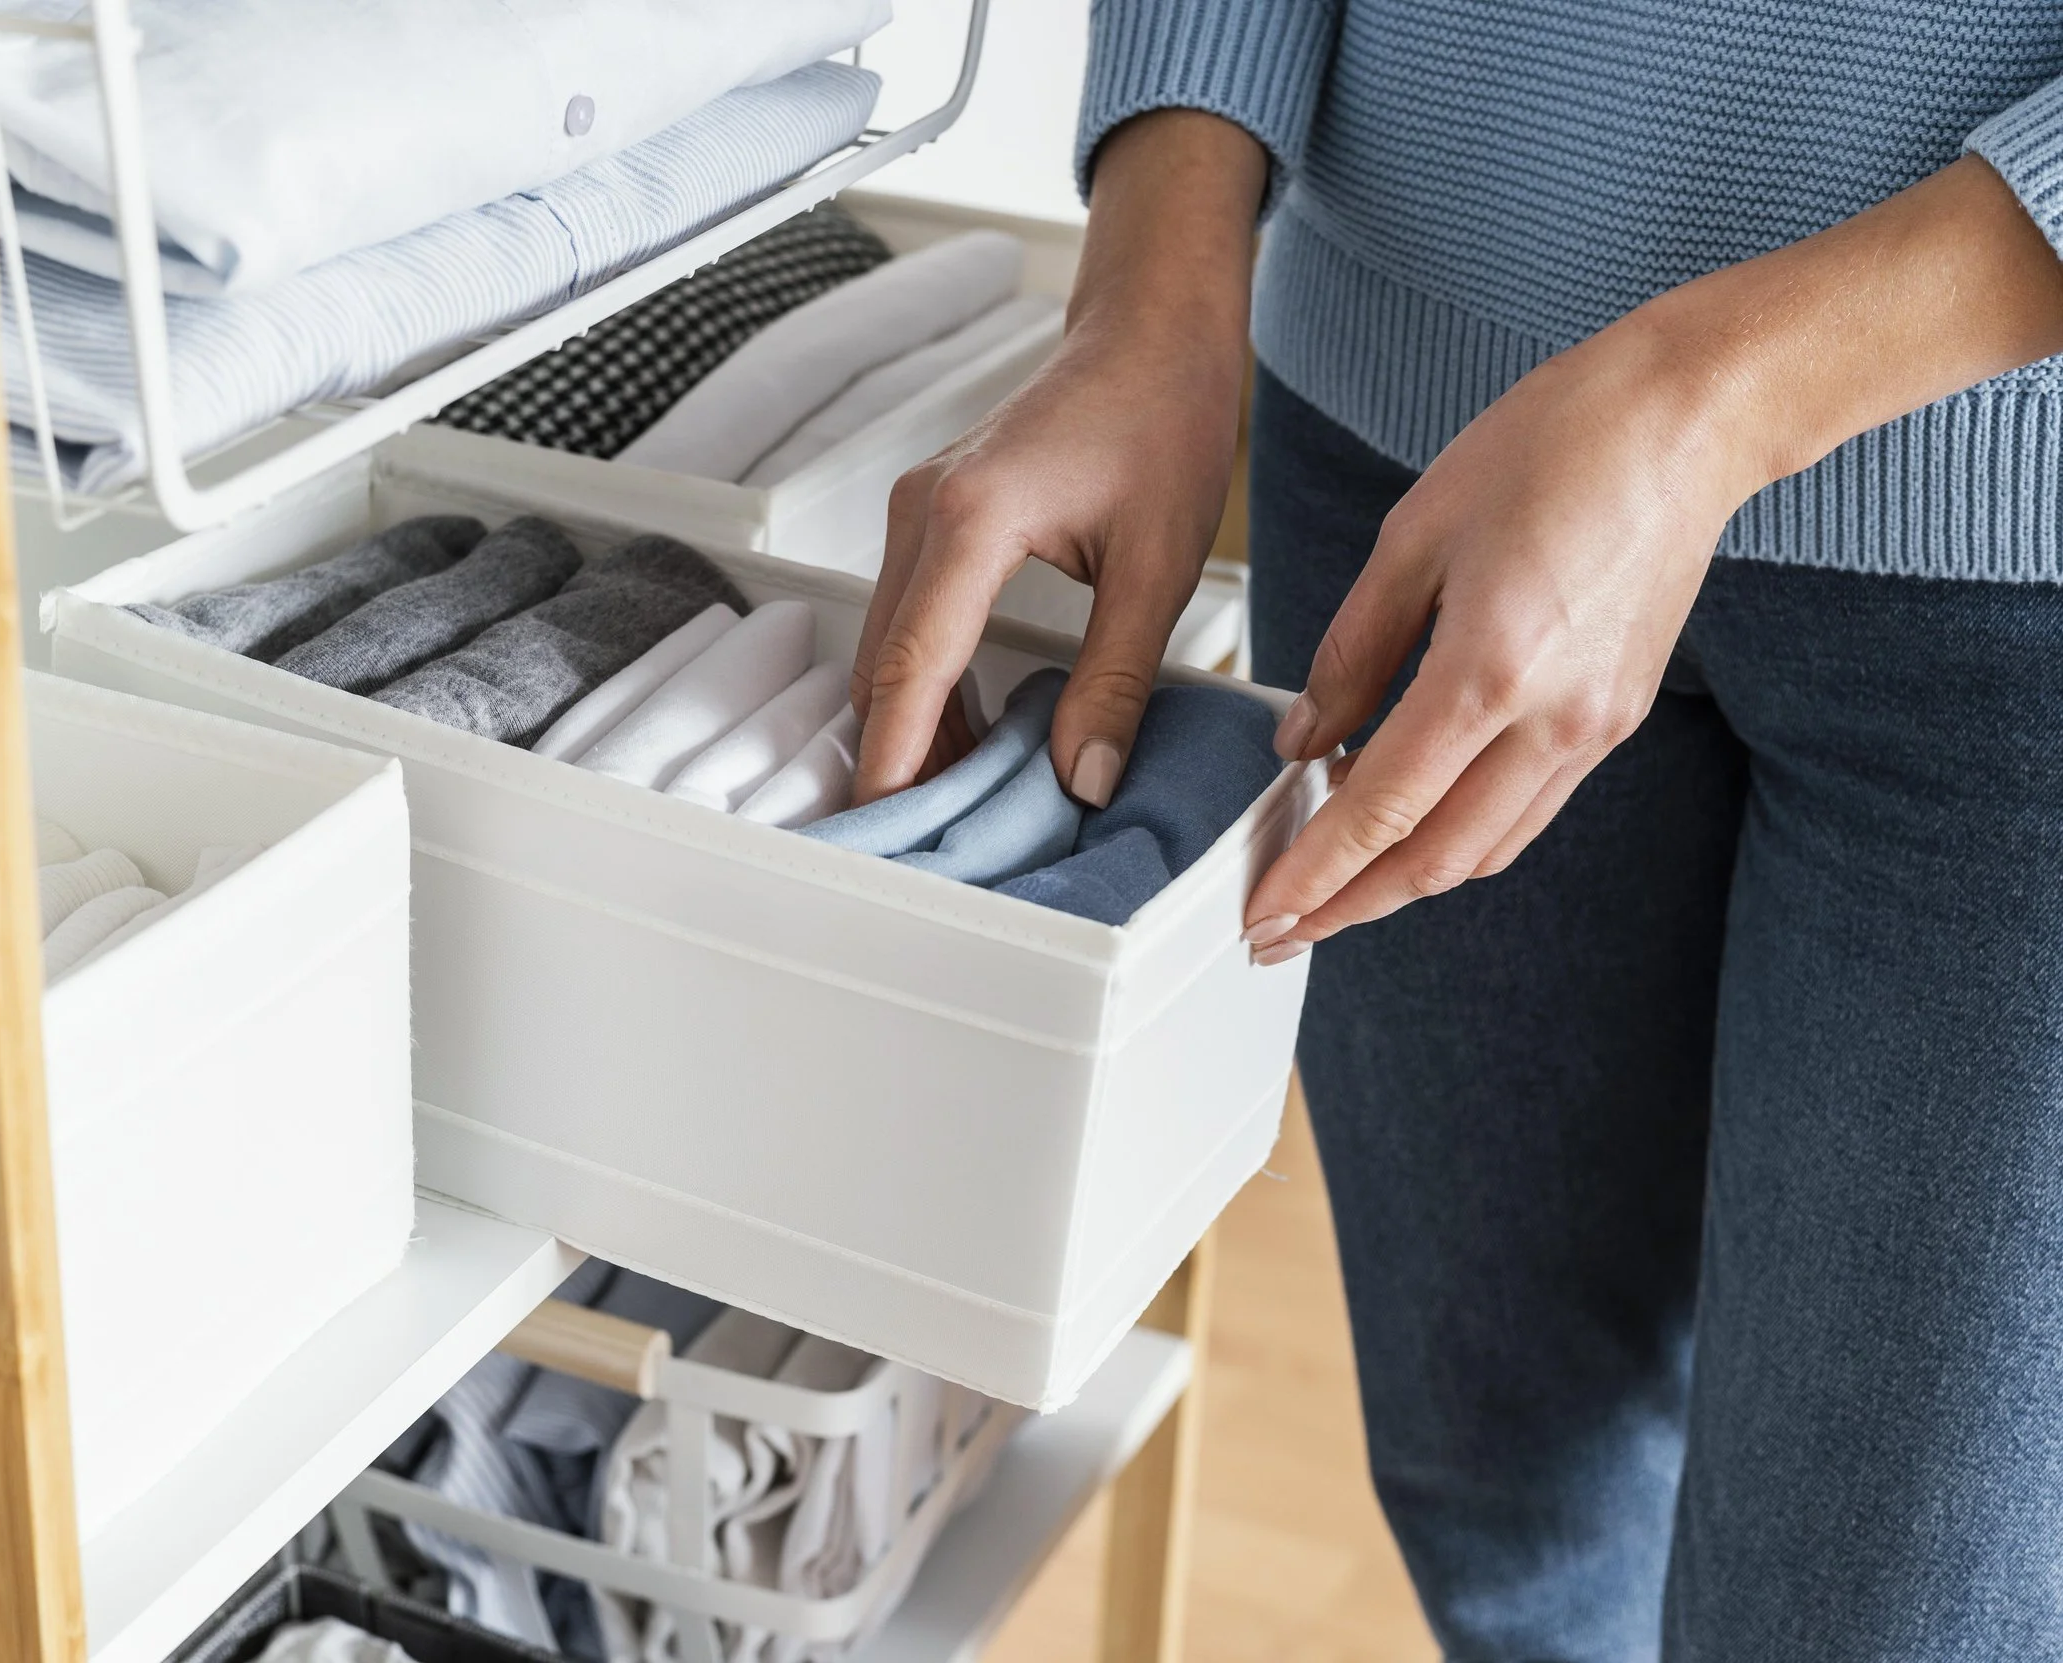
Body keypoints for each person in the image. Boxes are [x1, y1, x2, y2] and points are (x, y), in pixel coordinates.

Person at [847, 2, 2063, 1657]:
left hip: (2020, 579)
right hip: (1411, 439)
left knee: (1888, 1620)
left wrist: (1710, 401)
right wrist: (1157, 286)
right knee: (1497, 1495)